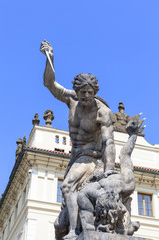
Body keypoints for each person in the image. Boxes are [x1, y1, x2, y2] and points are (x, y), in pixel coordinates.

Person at [40, 40, 116, 239]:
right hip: (74, 159)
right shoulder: (71, 99)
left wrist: (109, 170)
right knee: (59, 224)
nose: (86, 95)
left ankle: (75, 232)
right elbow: (49, 84)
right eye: (82, 92)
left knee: (66, 186)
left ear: (95, 92)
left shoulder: (103, 112)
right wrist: (50, 58)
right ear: (77, 90)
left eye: (90, 92)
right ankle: (70, 228)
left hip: (92, 157)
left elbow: (108, 142)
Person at [77, 120, 141, 236]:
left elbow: (125, 155)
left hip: (102, 182)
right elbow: (125, 155)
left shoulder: (126, 183)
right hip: (102, 182)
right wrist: (133, 134)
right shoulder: (126, 183)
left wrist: (133, 135)